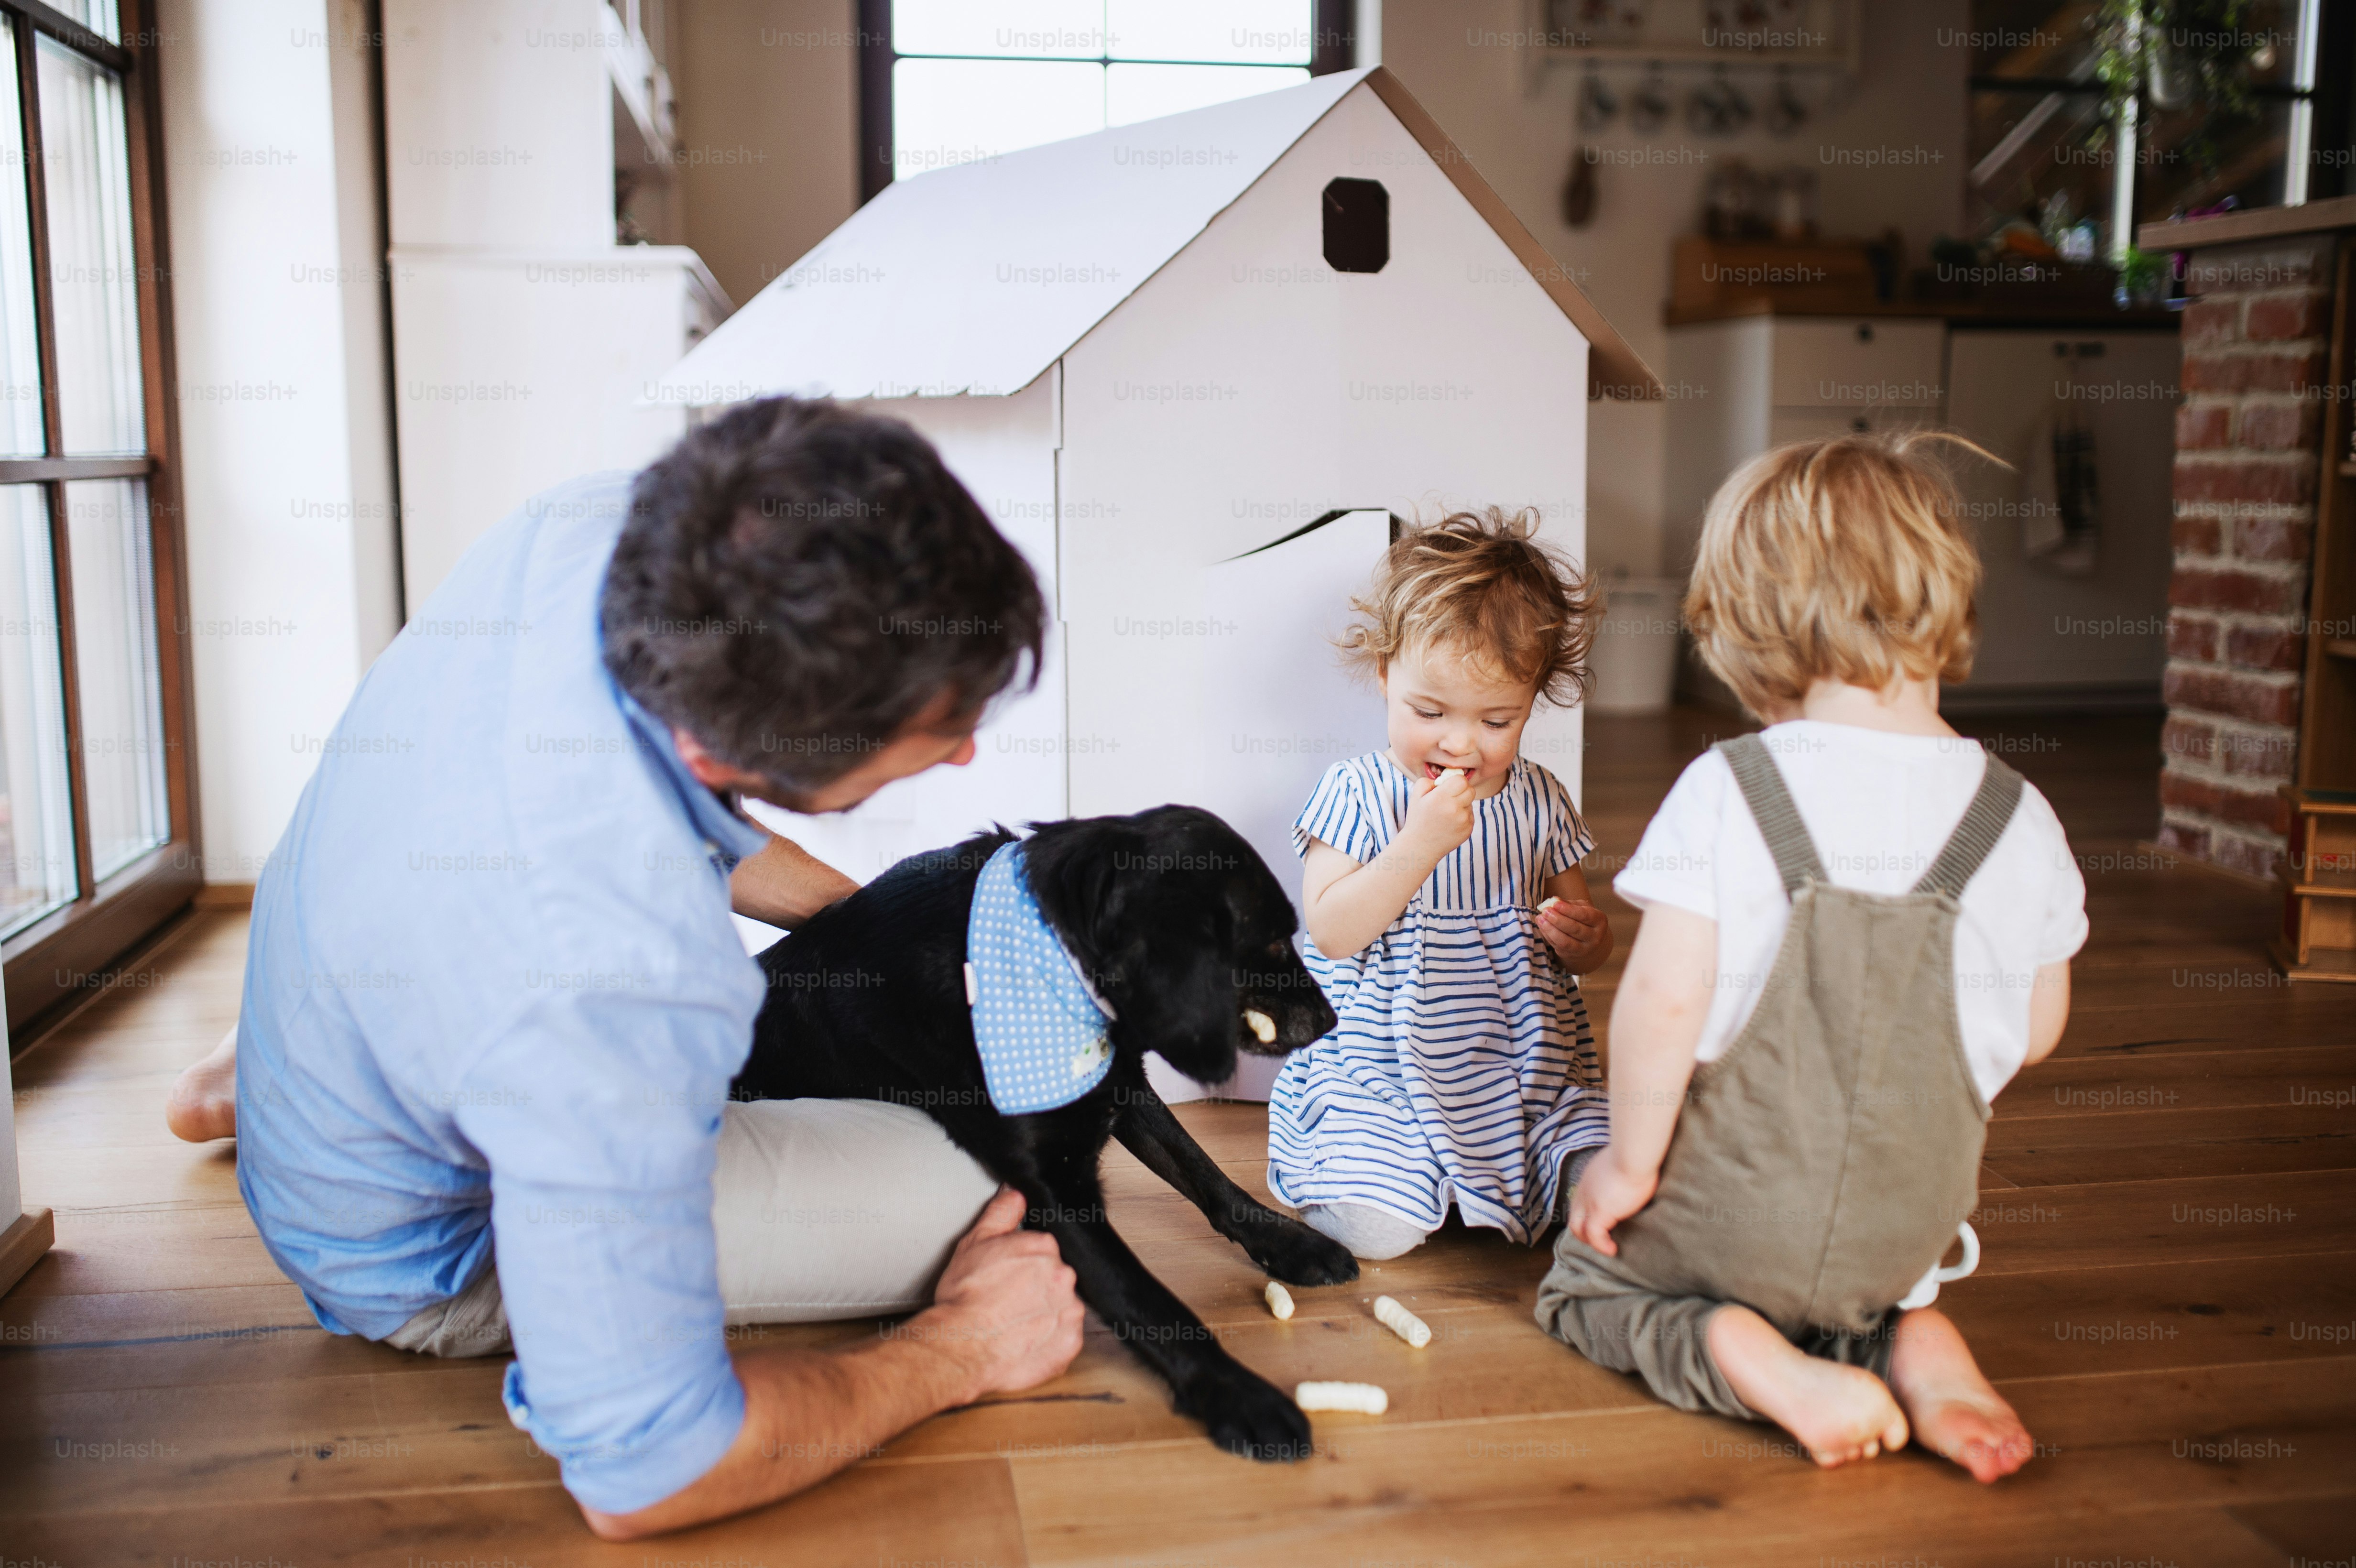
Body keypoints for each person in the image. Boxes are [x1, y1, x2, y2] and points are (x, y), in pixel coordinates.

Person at [185, 397, 1087, 1539]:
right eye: (938, 722)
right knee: (991, 1172)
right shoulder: (614, 984)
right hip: (409, 1248)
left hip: (349, 947)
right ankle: (340, 1101)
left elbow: (656, 793)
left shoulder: (605, 525)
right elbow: (652, 1470)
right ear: (731, 749)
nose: (964, 747)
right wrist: (957, 1348)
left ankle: (279, 1068)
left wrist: (875, 926)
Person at [1538, 433, 2082, 1483]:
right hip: (1905, 1226)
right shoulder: (2021, 814)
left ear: (1752, 629)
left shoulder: (1733, 786)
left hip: (1731, 1217)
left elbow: (1658, 1005)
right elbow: (2039, 1025)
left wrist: (1627, 1165)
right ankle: (1913, 1342)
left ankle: (1759, 1364)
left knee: (1587, 1288)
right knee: (1877, 1291)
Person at [1269, 510, 1615, 1262]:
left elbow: (1583, 930)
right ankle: (1366, 1172)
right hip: (1380, 1072)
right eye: (1430, 712)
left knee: (1613, 1180)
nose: (1460, 743)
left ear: (1534, 701)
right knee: (1378, 1234)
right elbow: (1331, 931)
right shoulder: (1356, 793)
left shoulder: (1539, 797)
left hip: (1523, 1072)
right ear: (1388, 674)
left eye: (1498, 720)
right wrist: (1416, 845)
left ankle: (1520, 1174)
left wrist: (1586, 937)